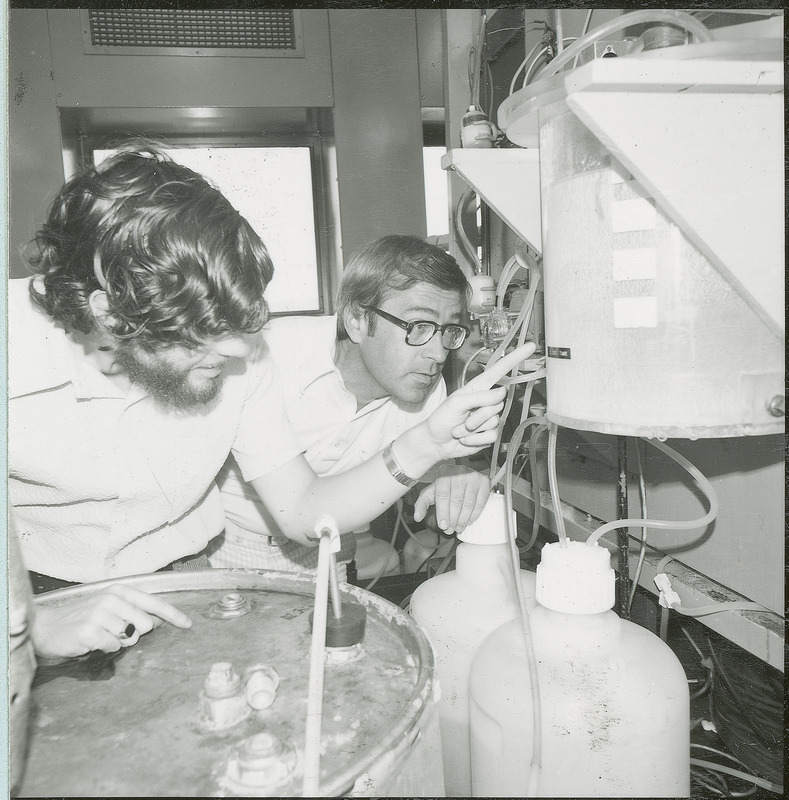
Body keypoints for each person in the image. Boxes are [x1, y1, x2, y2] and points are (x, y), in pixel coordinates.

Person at [8, 141, 535, 656]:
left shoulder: (239, 356)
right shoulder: (17, 351)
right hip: (30, 588)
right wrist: (33, 623)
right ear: (110, 315)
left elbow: (303, 510)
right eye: (205, 333)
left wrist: (427, 443)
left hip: (182, 578)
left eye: (239, 326)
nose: (239, 350)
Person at [211, 235, 491, 573]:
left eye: (449, 330)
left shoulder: (431, 394)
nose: (438, 353)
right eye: (419, 326)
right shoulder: (267, 355)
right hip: (227, 541)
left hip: (329, 547)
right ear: (357, 320)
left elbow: (426, 495)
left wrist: (454, 482)